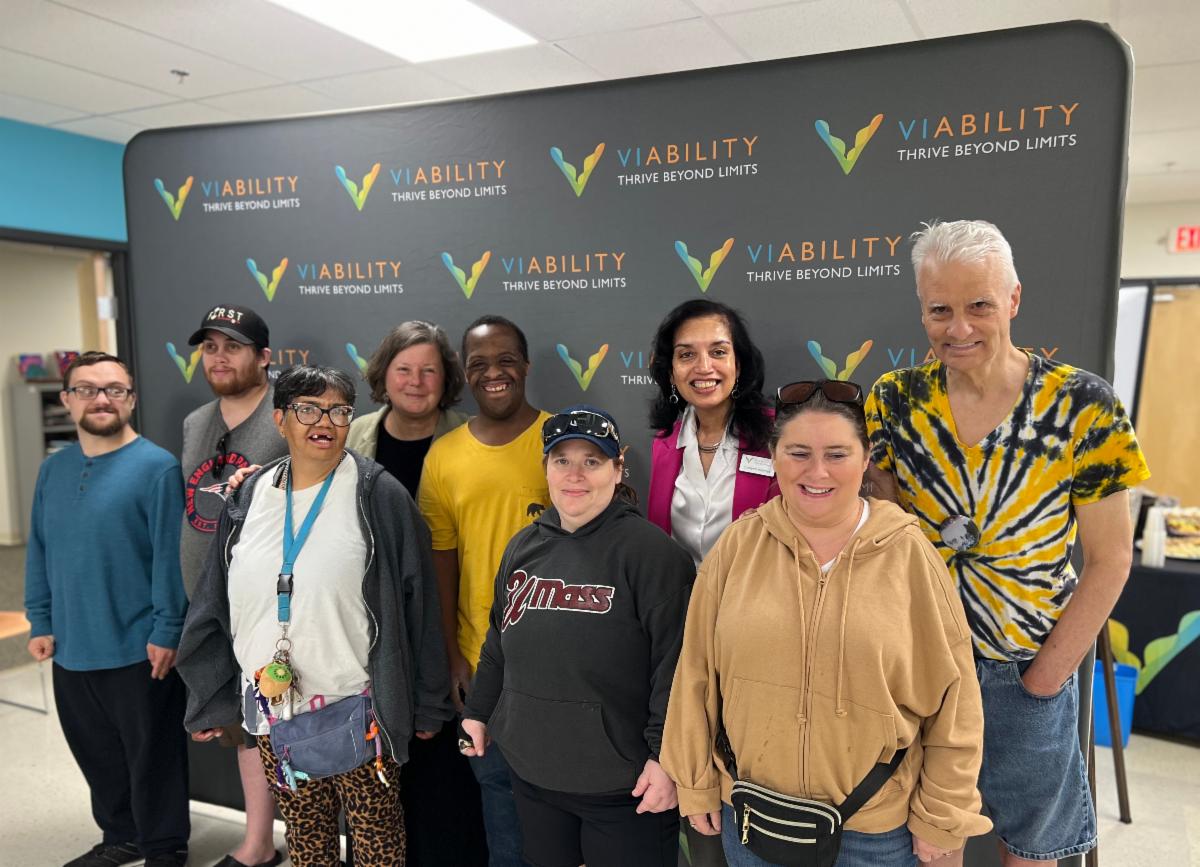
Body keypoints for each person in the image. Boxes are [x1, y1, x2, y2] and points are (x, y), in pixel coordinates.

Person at [864, 220, 1151, 866]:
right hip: (922, 670)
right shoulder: (894, 401)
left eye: (979, 305)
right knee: (930, 844)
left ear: (1014, 299)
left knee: (1031, 850)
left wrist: (1044, 679)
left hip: (1025, 667)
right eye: (940, 310)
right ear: (921, 308)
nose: (959, 327)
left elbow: (1111, 558)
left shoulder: (1083, 404)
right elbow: (886, 536)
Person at [662, 380, 992, 866]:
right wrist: (694, 782)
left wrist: (944, 812)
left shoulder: (910, 555)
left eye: (837, 454)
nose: (817, 472)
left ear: (866, 459)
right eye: (799, 453)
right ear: (775, 456)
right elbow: (696, 674)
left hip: (873, 834)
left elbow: (955, 699)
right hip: (753, 821)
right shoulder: (737, 547)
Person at [175, 365, 452, 867]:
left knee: (378, 846)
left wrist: (429, 701)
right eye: (307, 409)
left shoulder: (378, 495)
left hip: (359, 711)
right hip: (274, 709)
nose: (324, 421)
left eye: (338, 411)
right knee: (306, 840)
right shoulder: (248, 495)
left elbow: (421, 604)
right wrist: (209, 695)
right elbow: (215, 600)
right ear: (280, 419)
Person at [461, 405, 695, 867]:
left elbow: (678, 669)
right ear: (545, 467)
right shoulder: (523, 546)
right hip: (533, 774)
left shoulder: (652, 555)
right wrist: (479, 711)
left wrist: (664, 758)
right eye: (562, 460)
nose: (575, 475)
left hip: (625, 786)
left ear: (617, 469)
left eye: (592, 461)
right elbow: (498, 641)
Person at [25, 351, 190, 867]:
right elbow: (40, 549)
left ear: (131, 399)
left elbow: (170, 559)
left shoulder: (158, 468)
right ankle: (122, 836)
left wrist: (167, 630)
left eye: (114, 389)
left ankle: (164, 847)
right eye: (88, 389)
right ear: (67, 399)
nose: (101, 399)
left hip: (139, 647)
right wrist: (40, 620)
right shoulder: (53, 470)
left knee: (152, 757)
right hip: (72, 644)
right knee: (95, 753)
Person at [346, 320, 485, 866]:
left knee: (444, 768)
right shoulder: (353, 435)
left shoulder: (471, 435)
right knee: (379, 772)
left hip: (447, 619)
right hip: (373, 628)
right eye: (404, 369)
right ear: (384, 375)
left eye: (429, 370)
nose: (416, 381)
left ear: (446, 379)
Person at [418, 315, 552, 866]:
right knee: (501, 811)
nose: (494, 373)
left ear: (526, 366)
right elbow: (442, 562)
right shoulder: (444, 455)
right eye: (479, 364)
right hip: (482, 670)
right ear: (466, 375)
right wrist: (453, 656)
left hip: (559, 669)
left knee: (564, 816)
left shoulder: (562, 440)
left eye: (506, 360)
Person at [180, 303, 285, 867]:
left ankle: (313, 840)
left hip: (273, 605)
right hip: (210, 604)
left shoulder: (288, 414)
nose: (219, 357)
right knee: (244, 726)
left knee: (291, 723)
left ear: (264, 357)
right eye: (210, 347)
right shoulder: (196, 423)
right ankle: (258, 841)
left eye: (234, 346)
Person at [647, 299, 777, 567]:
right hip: (679, 592)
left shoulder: (779, 435)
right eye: (686, 355)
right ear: (671, 372)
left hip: (752, 590)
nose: (704, 367)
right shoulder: (664, 442)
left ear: (738, 364)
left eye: (718, 352)